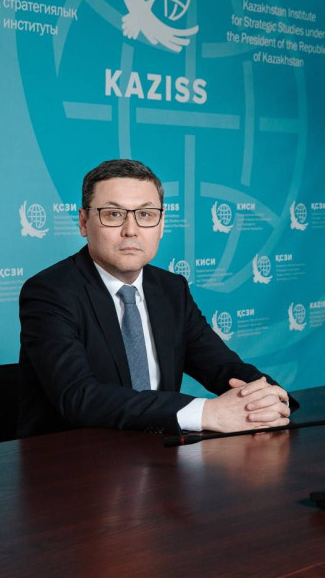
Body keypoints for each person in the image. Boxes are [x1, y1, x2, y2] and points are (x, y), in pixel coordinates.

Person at [18, 159, 297, 437]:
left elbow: (223, 366)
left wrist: (270, 398)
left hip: (159, 452)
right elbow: (79, 396)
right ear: (83, 222)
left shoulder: (171, 289)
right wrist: (206, 412)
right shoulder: (49, 292)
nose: (131, 229)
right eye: (113, 214)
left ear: (161, 224)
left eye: (145, 214)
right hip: (74, 456)